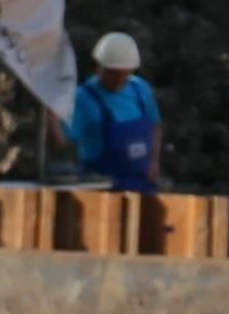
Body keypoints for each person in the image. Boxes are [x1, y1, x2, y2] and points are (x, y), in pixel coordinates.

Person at [70, 29, 163, 194]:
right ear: (99, 66)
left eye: (123, 75)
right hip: (102, 193)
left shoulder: (140, 89)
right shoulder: (84, 98)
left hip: (142, 188)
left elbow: (155, 126)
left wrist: (154, 160)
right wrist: (52, 113)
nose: (118, 81)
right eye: (112, 74)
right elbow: (62, 140)